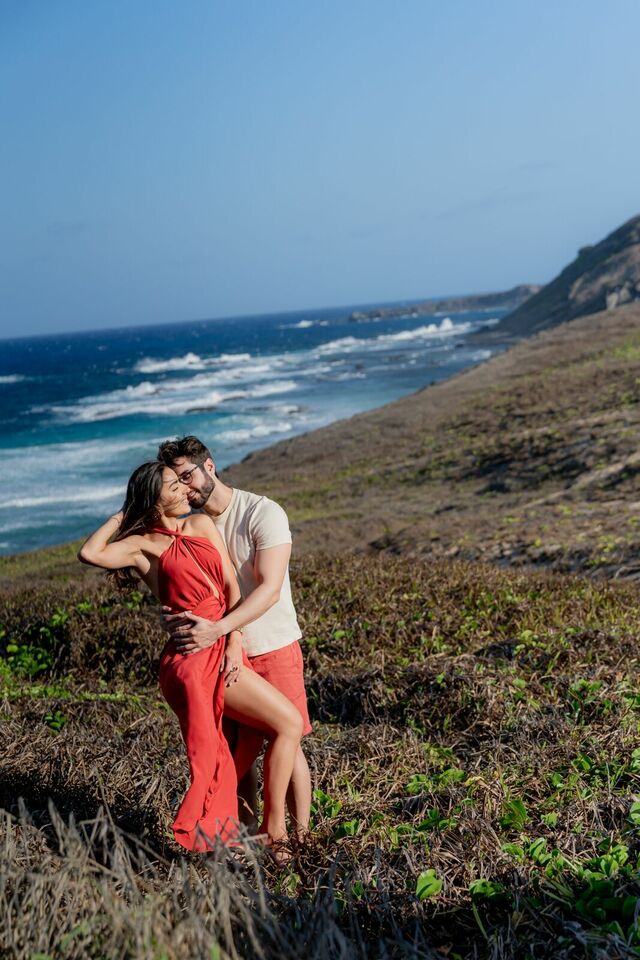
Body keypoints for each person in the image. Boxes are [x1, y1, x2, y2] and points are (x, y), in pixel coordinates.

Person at [78, 460, 303, 856]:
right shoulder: (141, 546)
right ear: (154, 499)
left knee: (244, 744)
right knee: (287, 724)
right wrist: (124, 514)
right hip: (192, 660)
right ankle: (275, 834)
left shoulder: (201, 525)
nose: (185, 490)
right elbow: (89, 553)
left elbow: (232, 588)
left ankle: (250, 834)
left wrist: (233, 640)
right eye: (173, 486)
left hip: (222, 644)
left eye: (183, 483)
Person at [157, 435, 312, 837]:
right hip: (219, 654)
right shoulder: (189, 525)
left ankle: (297, 839)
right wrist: (172, 616)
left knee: (288, 741)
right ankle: (246, 838)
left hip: (272, 645)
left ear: (209, 466)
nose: (185, 488)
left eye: (188, 476)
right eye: (175, 482)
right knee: (234, 751)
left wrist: (221, 628)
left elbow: (269, 589)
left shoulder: (262, 512)